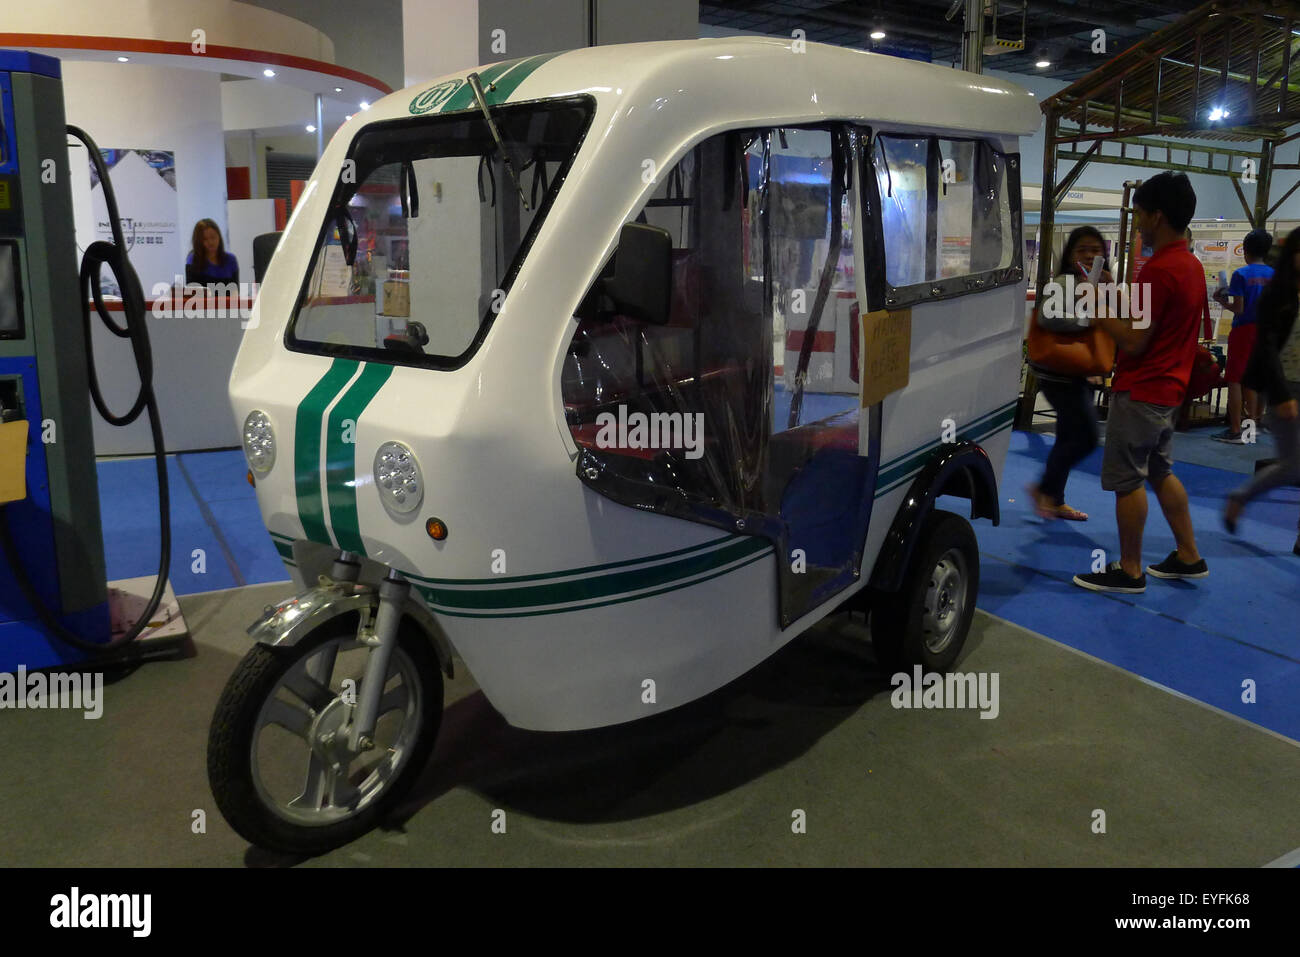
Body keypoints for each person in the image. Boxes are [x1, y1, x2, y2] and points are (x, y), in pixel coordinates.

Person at [1074, 171, 1208, 594]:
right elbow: (1146, 322)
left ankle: (1129, 569)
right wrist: (1113, 295)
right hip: (1169, 389)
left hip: (1143, 390)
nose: (1136, 224)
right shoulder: (1189, 266)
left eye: (1139, 215)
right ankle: (1188, 554)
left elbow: (1133, 339)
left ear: (1157, 216)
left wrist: (1095, 304)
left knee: (1128, 479)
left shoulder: (1159, 271)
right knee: (1161, 470)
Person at [1223, 228, 1300, 556]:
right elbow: (1267, 347)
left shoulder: (1245, 275)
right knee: (1294, 466)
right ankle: (1242, 495)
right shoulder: (1277, 291)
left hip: (1280, 374)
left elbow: (1238, 309)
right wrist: (1281, 396)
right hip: (1286, 385)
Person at [1026, 226, 1107, 522]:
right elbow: (1049, 317)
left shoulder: (1100, 284)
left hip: (1080, 371)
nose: (1089, 255)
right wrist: (1087, 322)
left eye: (1095, 250)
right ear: (1071, 253)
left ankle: (1055, 499)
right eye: (1082, 249)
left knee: (1067, 436)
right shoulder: (1064, 282)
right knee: (1086, 436)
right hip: (1058, 372)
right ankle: (1044, 489)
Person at [1211, 229, 1273, 443]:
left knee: (1235, 379)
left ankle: (1236, 430)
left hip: (1244, 330)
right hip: (1266, 331)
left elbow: (1238, 309)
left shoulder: (1241, 274)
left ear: (1245, 251)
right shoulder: (1274, 274)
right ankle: (1251, 430)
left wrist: (1220, 301)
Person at [185, 218, 239, 285]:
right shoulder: (193, 260)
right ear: (199, 242)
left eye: (213, 237)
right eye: (205, 239)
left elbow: (235, 291)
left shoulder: (231, 259)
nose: (210, 242)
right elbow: (191, 292)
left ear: (219, 237)